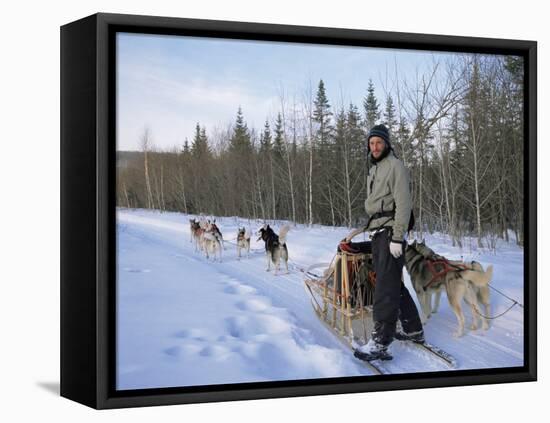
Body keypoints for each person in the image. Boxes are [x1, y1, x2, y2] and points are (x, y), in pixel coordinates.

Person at [344, 124, 424, 361]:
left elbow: (403, 203)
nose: (375, 147)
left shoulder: (394, 166)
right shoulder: (374, 169)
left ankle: (380, 342)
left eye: (379, 142)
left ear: (387, 143)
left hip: (390, 233)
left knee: (384, 289)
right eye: (371, 143)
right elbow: (377, 208)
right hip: (378, 231)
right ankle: (413, 328)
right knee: (391, 284)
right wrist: (359, 230)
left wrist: (398, 236)